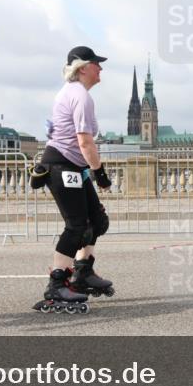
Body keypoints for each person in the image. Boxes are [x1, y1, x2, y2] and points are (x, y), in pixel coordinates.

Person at [32, 46, 115, 314]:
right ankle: (57, 283)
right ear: (82, 68)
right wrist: (99, 172)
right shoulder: (79, 95)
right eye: (96, 64)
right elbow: (85, 140)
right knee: (76, 226)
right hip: (62, 165)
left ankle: (83, 272)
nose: (100, 68)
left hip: (71, 165)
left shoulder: (73, 93)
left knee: (97, 221)